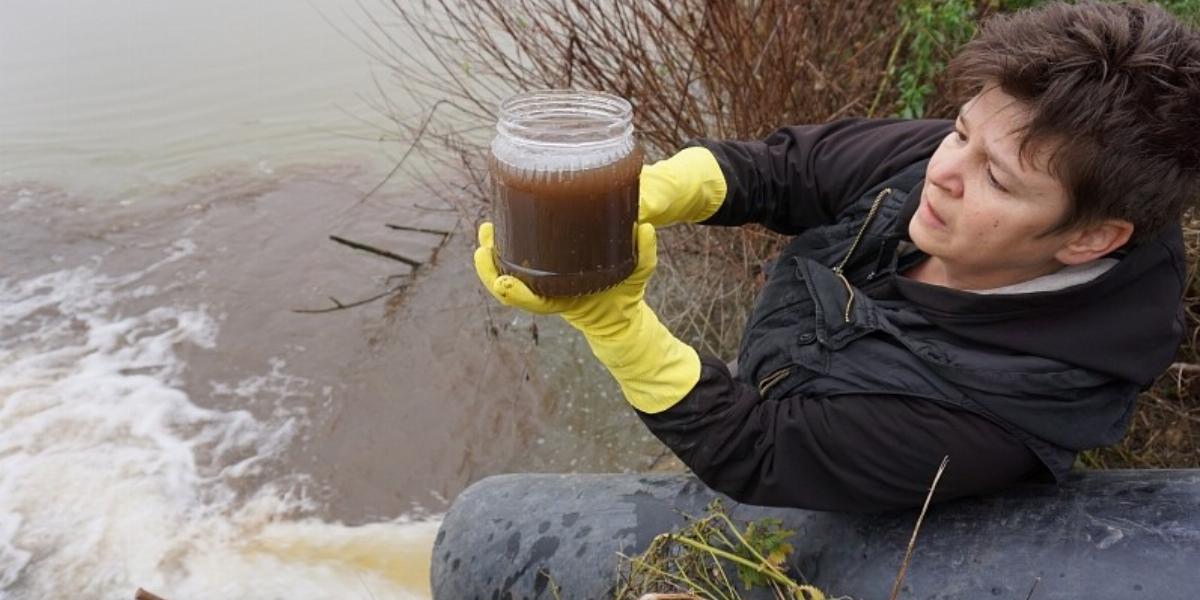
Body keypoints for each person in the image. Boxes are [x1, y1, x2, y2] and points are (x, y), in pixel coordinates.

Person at [473, 1, 1200, 512]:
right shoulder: (1000, 153)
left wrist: (617, 327)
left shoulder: (987, 423)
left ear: (1090, 239)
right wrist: (650, 191)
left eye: (995, 178)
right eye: (960, 130)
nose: (942, 170)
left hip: (822, 487)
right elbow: (789, 169)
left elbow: (759, 450)